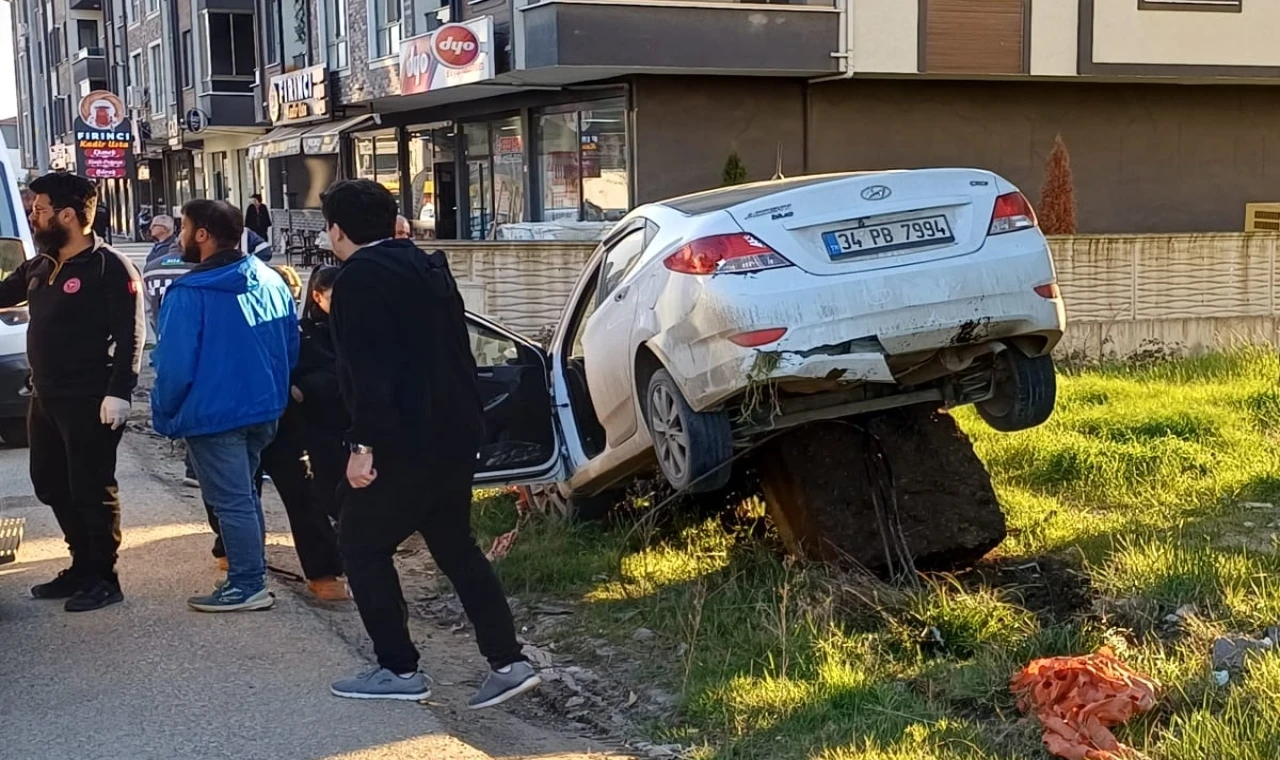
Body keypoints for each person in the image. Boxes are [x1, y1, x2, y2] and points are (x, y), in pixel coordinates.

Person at [321, 179, 539, 708]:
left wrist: (362, 446)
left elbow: (371, 372)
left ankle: (398, 670)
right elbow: (457, 355)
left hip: (401, 439)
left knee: (361, 544)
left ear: (336, 230)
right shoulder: (426, 266)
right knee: (455, 544)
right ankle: (508, 661)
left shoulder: (358, 280)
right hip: (454, 433)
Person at [0, 172, 144, 612]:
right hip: (45, 396)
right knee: (50, 483)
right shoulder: (40, 265)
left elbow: (131, 333)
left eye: (40, 209)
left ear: (68, 215)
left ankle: (103, 576)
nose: (33, 216)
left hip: (91, 399)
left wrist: (120, 391)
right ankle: (81, 564)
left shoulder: (108, 266)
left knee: (91, 487)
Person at [151, 199, 298, 613]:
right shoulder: (271, 281)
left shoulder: (188, 292)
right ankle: (250, 576)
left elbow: (175, 364)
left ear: (202, 234)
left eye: (183, 227)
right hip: (263, 408)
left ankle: (248, 583)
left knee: (233, 500)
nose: (179, 236)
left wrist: (165, 413)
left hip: (214, 414)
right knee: (244, 496)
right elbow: (289, 345)